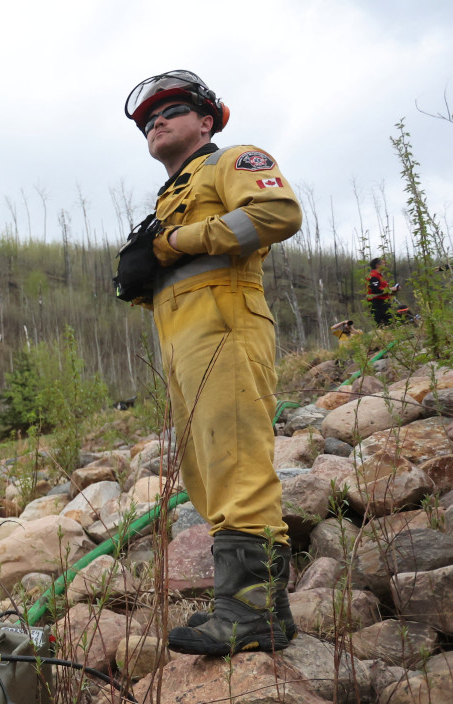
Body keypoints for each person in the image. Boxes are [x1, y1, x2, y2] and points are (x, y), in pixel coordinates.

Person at [121, 70, 302, 656]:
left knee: (237, 463)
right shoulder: (166, 198)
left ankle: (253, 615)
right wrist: (145, 272)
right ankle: (243, 607)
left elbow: (277, 214)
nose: (156, 121)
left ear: (207, 121)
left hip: (227, 323)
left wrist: (175, 243)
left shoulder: (235, 160)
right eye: (148, 120)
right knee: (207, 473)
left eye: (170, 111)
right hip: (183, 339)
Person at [365, 257, 401, 326]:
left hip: (384, 303)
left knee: (389, 323)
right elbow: (376, 290)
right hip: (377, 303)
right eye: (383, 263)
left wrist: (394, 290)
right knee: (382, 324)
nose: (385, 265)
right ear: (377, 265)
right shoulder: (373, 275)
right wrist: (391, 289)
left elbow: (383, 290)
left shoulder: (380, 276)